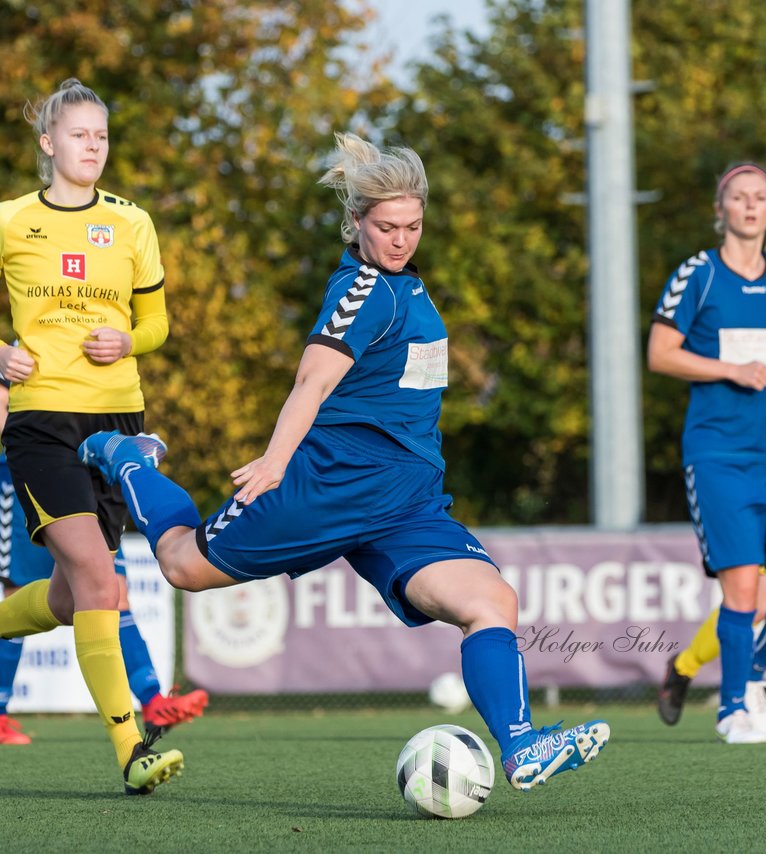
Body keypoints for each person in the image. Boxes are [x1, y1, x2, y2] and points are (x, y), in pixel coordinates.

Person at [77, 132, 611, 792]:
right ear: (357, 222)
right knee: (182, 565)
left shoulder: (407, 287)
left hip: (406, 504)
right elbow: (312, 381)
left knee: (492, 601)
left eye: (413, 225)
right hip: (328, 486)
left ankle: (522, 746)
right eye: (387, 226)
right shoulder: (363, 290)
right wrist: (276, 460)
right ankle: (129, 458)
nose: (401, 239)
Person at [0, 78, 184, 794]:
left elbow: (160, 324)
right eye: (80, 135)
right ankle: (132, 746)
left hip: (118, 423)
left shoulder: (134, 222)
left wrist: (130, 338)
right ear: (48, 144)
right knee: (101, 580)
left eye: (102, 136)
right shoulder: (10, 220)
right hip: (41, 421)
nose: (93, 147)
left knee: (79, 595)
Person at [647, 163, 766, 744]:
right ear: (720, 208)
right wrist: (730, 369)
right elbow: (660, 353)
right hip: (719, 456)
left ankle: (749, 673)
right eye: (739, 197)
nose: (750, 206)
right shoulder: (697, 275)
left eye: (760, 198)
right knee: (744, 591)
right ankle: (732, 709)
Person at [0, 374, 209, 745]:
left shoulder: (103, 339)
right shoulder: (35, 337)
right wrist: (40, 442)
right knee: (16, 591)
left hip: (88, 480)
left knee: (114, 592)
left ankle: (153, 702)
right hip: (27, 477)